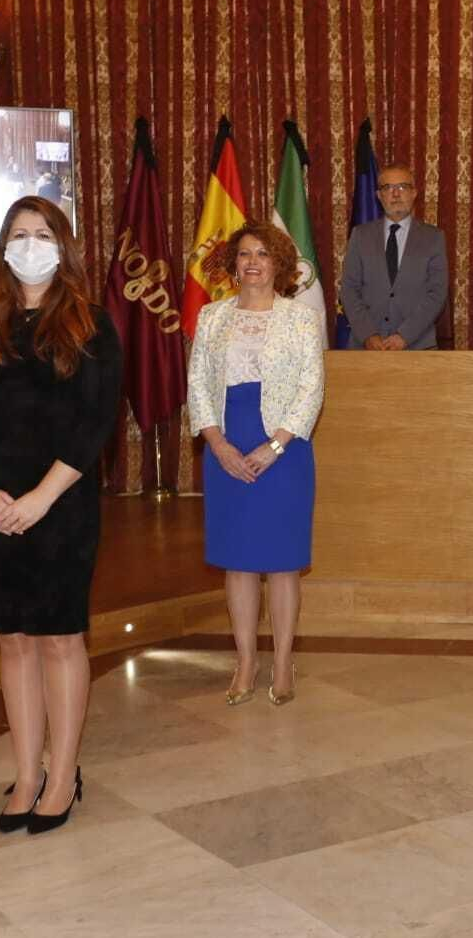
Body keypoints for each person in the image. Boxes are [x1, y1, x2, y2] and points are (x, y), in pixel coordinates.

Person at [0, 195, 123, 836]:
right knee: (12, 640)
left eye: (43, 233)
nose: (31, 244)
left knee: (60, 638)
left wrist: (42, 498)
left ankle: (64, 773)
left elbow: (96, 424)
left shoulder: (92, 324)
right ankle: (25, 771)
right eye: (19, 234)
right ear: (2, 248)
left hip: (62, 503)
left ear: (63, 246)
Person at [187, 222, 325, 707]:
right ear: (233, 264)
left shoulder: (301, 319)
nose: (252, 262)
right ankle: (245, 661)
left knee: (283, 564)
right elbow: (198, 386)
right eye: (244, 254)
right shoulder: (211, 317)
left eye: (263, 254)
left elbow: (312, 387)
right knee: (239, 563)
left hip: (285, 450)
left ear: (280, 264)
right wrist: (217, 445)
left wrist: (276, 446)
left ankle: (283, 662)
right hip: (226, 444)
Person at [339, 164, 448, 350]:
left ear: (414, 193)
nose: (395, 194)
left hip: (417, 347)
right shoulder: (360, 235)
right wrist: (368, 335)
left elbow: (437, 294)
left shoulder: (434, 238)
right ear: (379, 196)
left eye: (402, 187)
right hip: (366, 349)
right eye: (388, 188)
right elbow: (349, 290)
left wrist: (405, 335)